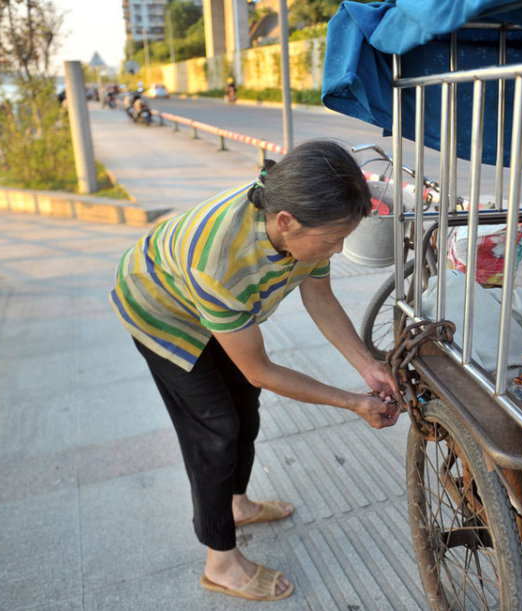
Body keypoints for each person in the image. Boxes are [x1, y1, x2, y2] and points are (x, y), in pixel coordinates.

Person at [109, 141, 400, 602]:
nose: (338, 249)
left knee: (246, 409)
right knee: (215, 431)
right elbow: (260, 369)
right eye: (331, 240)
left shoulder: (307, 212)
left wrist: (368, 366)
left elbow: (319, 298)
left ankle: (237, 504)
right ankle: (220, 562)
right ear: (285, 222)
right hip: (160, 310)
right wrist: (352, 402)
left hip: (208, 306)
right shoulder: (219, 261)